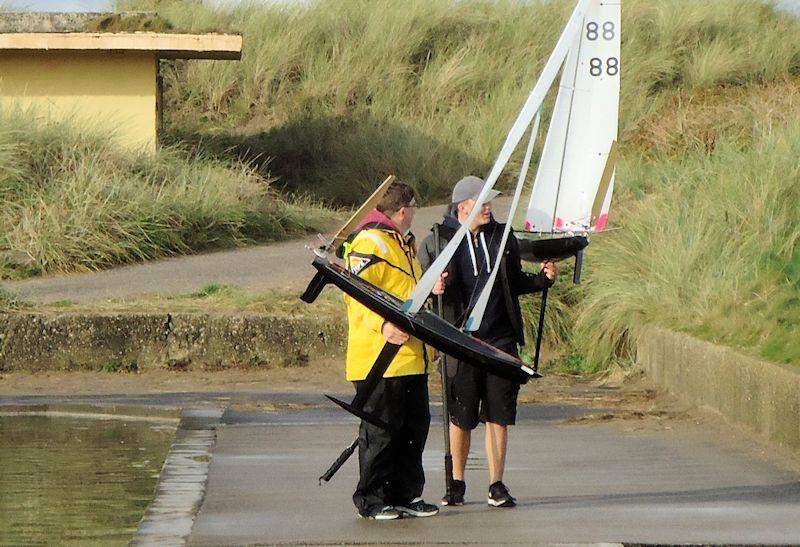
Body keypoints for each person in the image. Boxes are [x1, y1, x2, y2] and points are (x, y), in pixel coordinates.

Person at [419, 175, 558, 509]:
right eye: (482, 203)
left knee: (499, 415)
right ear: (463, 206)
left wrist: (542, 280)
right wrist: (434, 286)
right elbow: (421, 283)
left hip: (501, 340)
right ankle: (457, 483)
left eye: (489, 203)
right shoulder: (440, 240)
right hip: (460, 341)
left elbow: (513, 282)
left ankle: (496, 484)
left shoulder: (502, 236)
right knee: (461, 416)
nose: (489, 208)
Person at [341, 180, 444, 520]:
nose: (415, 215)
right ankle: (371, 499)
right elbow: (356, 293)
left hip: (412, 357)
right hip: (379, 358)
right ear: (403, 210)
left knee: (414, 430)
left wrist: (432, 343)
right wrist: (382, 325)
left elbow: (410, 295)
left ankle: (405, 494)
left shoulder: (403, 244)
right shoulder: (369, 242)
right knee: (380, 431)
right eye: (415, 209)